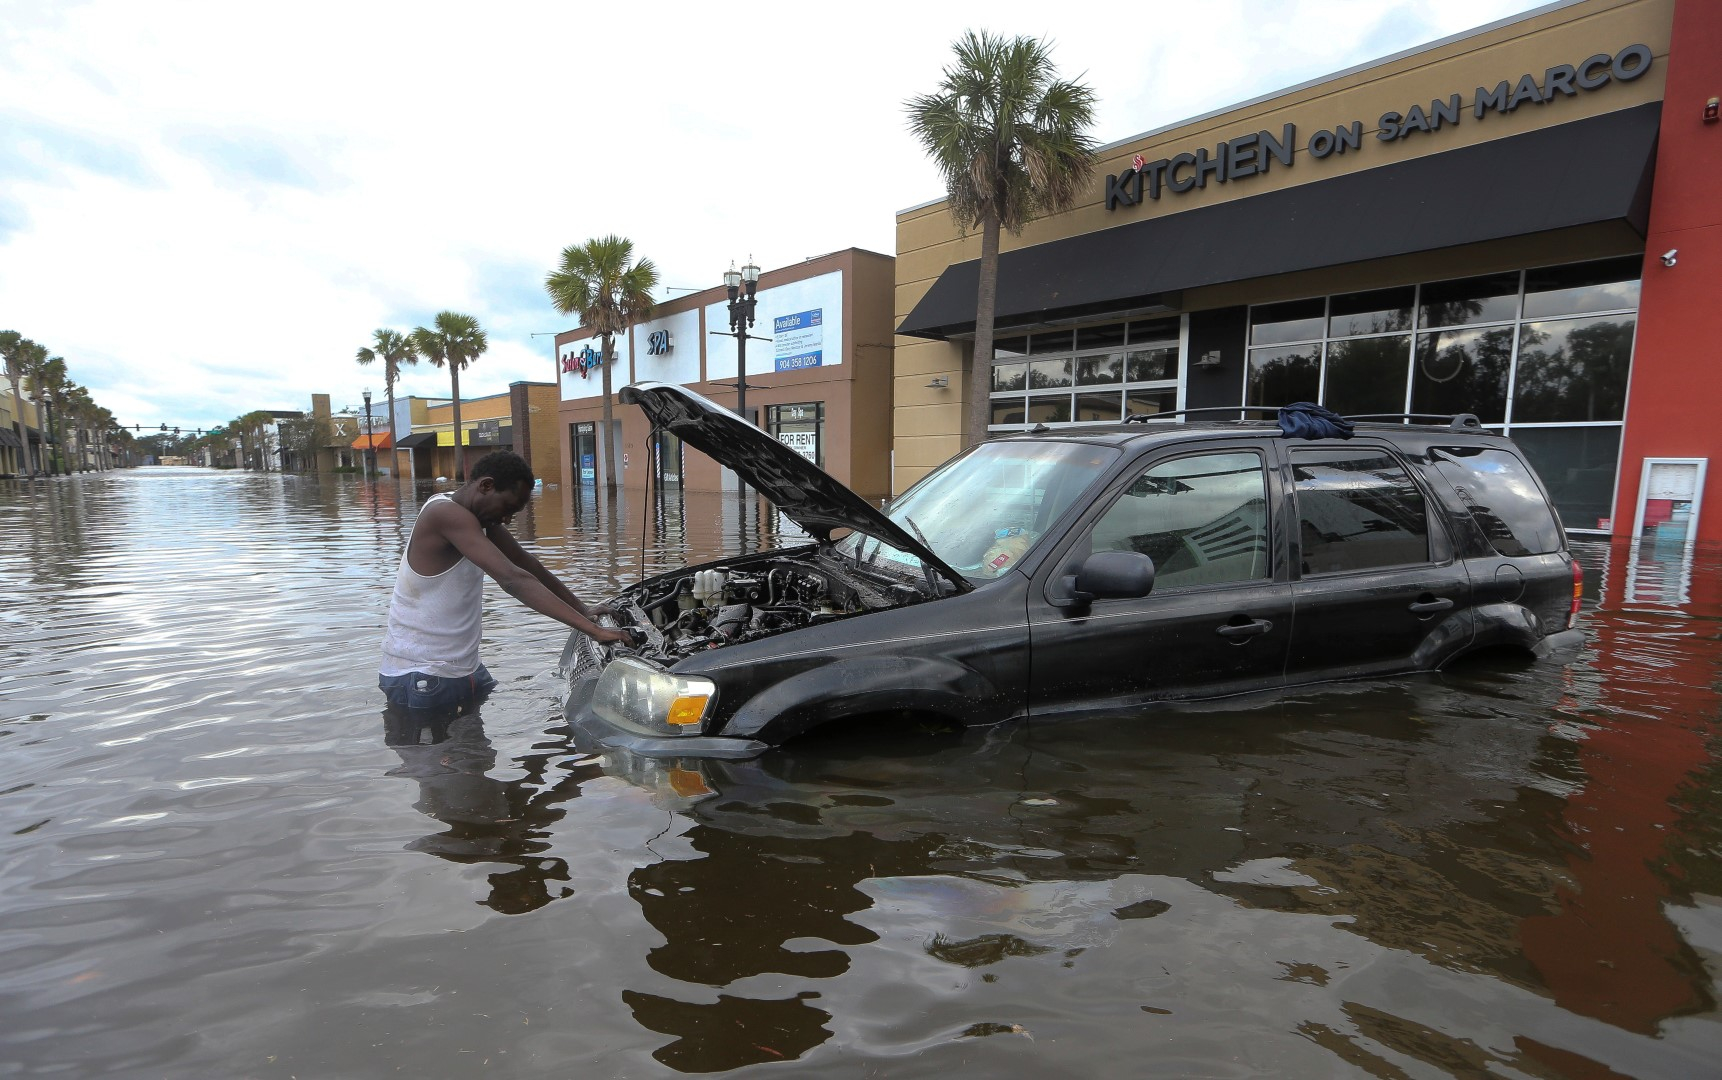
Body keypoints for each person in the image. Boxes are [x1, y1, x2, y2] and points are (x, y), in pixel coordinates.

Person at [378, 450, 636, 714]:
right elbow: (512, 579)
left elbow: (527, 564)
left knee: (478, 754)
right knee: (448, 754)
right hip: (422, 675)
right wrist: (594, 631)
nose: (507, 520)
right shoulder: (446, 514)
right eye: (508, 508)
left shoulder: (476, 518)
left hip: (460, 668)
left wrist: (583, 609)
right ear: (486, 486)